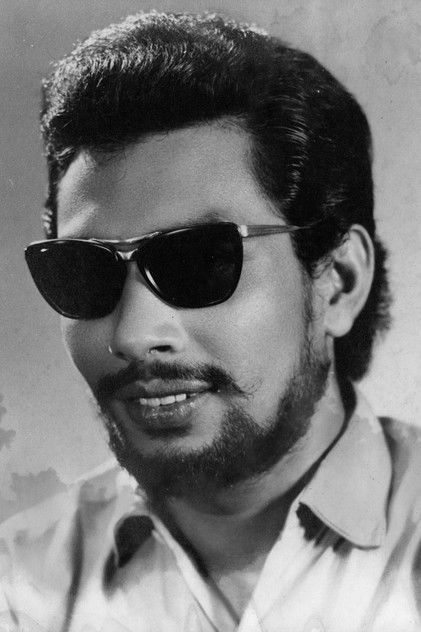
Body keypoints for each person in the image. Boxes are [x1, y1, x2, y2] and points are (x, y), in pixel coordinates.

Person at [1, 10, 420, 632]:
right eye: (85, 271)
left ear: (339, 282)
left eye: (200, 263)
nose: (132, 335)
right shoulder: (20, 584)